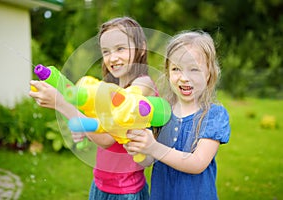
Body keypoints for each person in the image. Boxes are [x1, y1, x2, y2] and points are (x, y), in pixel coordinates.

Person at [29, 17, 158, 200]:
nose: (112, 58)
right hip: (100, 185)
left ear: (141, 47)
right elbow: (101, 129)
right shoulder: (110, 88)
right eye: (106, 51)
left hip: (125, 192)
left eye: (120, 48)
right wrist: (85, 125)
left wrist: (61, 104)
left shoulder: (143, 86)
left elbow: (106, 137)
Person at [124, 30, 231, 200]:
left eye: (194, 69)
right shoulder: (161, 111)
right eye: (176, 69)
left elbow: (198, 163)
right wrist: (139, 148)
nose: (184, 78)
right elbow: (149, 160)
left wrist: (153, 147)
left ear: (209, 72)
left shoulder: (213, 115)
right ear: (167, 72)